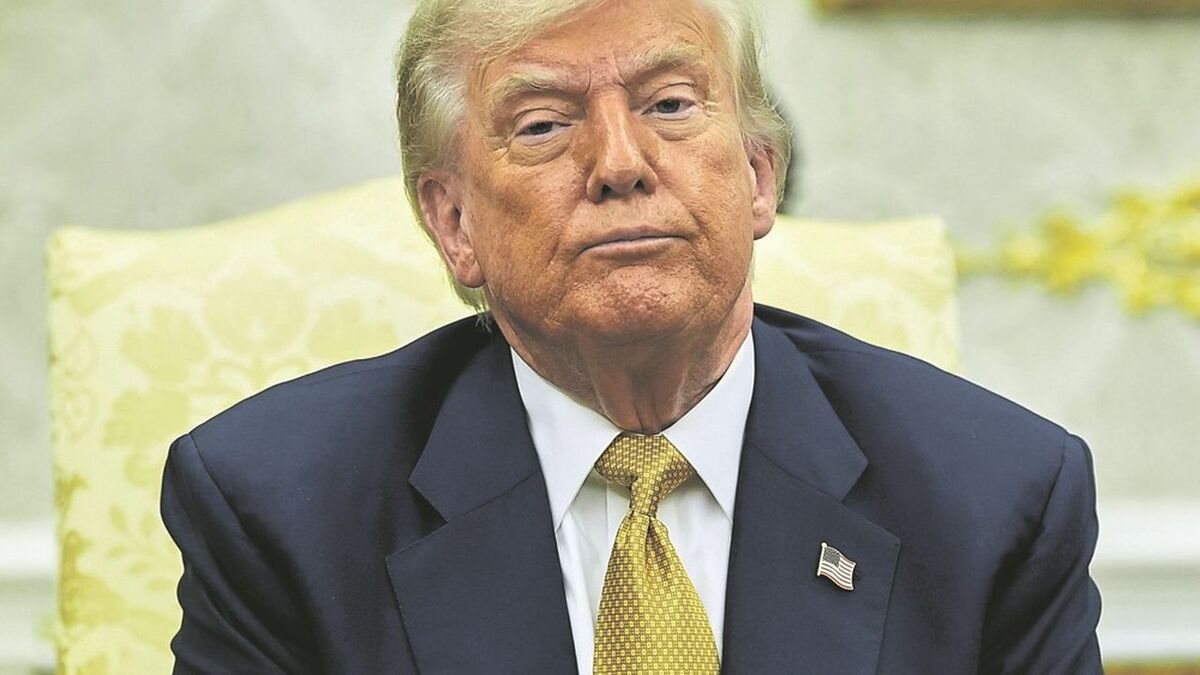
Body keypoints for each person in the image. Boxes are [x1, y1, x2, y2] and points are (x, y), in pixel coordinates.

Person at [160, 0, 1103, 672]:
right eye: (543, 123)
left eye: (670, 105)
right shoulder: (280, 511)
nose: (619, 163)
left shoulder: (996, 498)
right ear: (453, 222)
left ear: (759, 175)